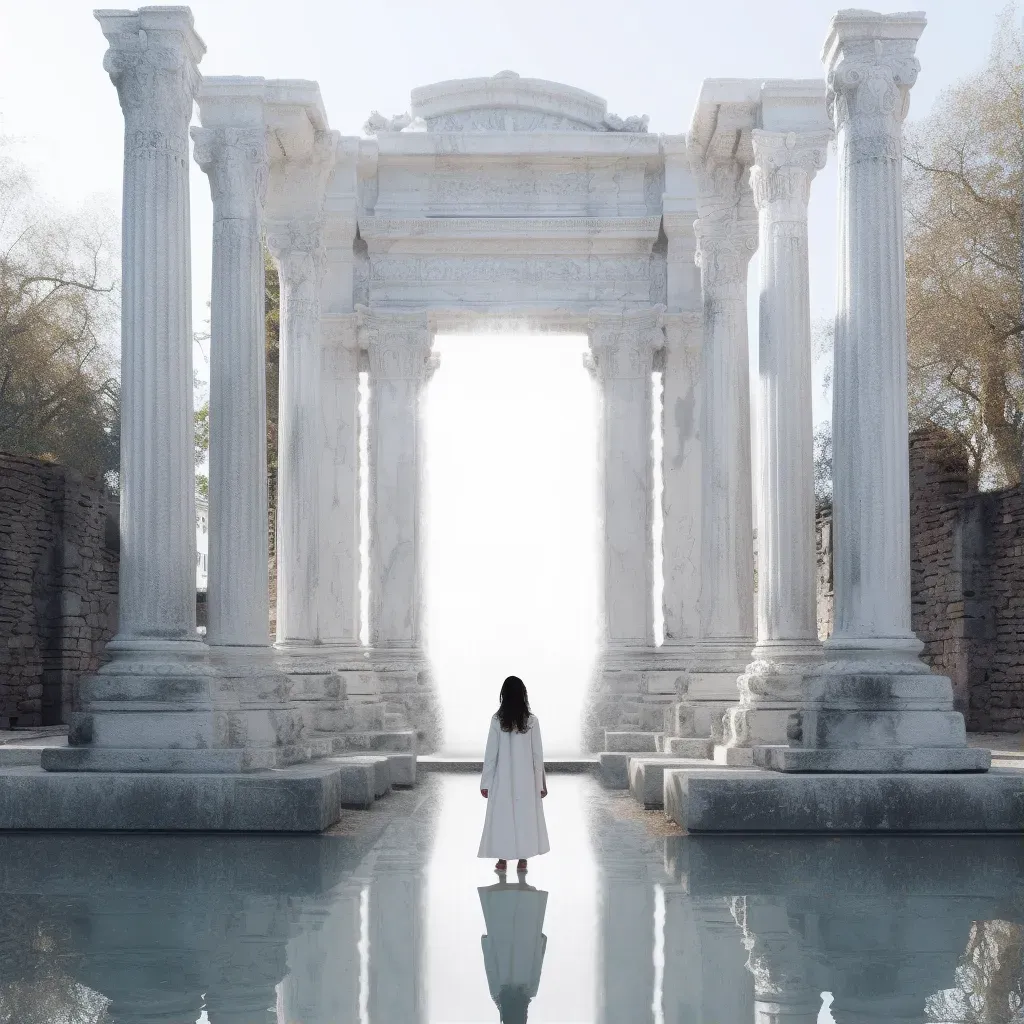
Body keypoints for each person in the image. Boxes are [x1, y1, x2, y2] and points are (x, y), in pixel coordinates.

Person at [479, 676, 549, 874]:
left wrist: (486, 782)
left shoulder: (497, 721)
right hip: (526, 779)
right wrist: (540, 784)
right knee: (525, 816)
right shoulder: (532, 721)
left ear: (504, 695)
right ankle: (523, 859)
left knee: (503, 815)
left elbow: (491, 754)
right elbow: (537, 755)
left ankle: (502, 859)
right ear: (523, 695)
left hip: (503, 778)